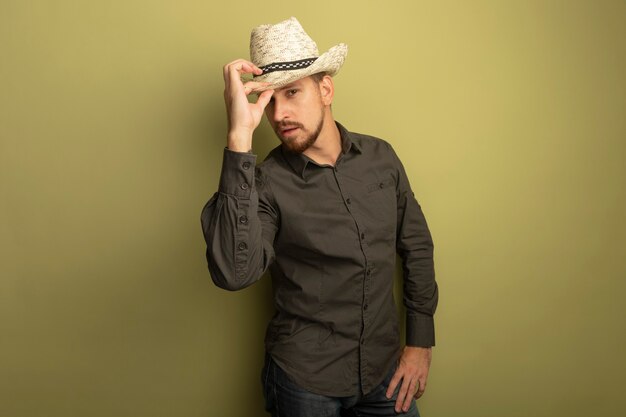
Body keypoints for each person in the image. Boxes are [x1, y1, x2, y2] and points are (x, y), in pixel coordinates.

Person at [201, 17, 438, 417]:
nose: (280, 115)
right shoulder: (264, 184)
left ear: (325, 88)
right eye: (270, 100)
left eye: (292, 93)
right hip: (303, 382)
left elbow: (415, 246)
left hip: (384, 374)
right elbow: (233, 274)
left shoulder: (381, 158)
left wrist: (419, 343)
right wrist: (239, 138)